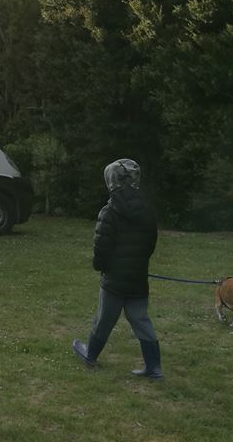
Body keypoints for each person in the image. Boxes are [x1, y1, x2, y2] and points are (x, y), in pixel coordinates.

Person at [72, 158, 163, 379]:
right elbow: (150, 244)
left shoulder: (109, 212)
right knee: (141, 320)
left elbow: (101, 249)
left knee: (104, 320)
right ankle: (154, 368)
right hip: (138, 279)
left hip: (113, 281)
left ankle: (90, 355)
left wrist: (101, 267)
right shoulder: (147, 209)